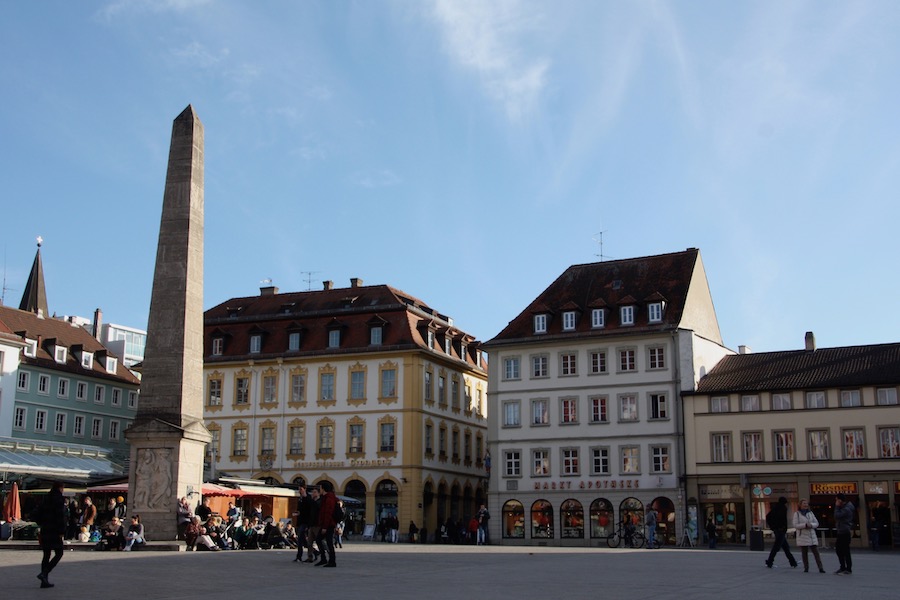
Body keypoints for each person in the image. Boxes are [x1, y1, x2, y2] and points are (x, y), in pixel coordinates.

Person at [36, 481, 66, 588]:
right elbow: (60, 516)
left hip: (45, 529)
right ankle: (44, 574)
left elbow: (37, 513)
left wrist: (42, 523)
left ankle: (44, 581)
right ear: (60, 488)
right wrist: (62, 531)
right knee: (59, 553)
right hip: (55, 530)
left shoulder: (46, 499)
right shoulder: (59, 499)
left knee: (46, 555)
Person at [765, 497, 798, 569]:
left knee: (785, 547)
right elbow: (783, 520)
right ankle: (770, 561)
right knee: (777, 547)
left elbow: (768, 516)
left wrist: (773, 527)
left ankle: (793, 562)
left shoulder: (775, 508)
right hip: (781, 530)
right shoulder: (783, 508)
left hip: (778, 530)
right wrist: (783, 528)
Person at [793, 499, 824, 573]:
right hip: (803, 536)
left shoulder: (810, 513)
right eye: (804, 503)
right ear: (800, 505)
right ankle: (806, 567)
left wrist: (811, 525)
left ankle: (820, 568)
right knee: (804, 553)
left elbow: (816, 523)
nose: (806, 505)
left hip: (811, 535)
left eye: (806, 503)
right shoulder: (797, 514)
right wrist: (805, 525)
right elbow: (795, 525)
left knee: (816, 552)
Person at [316, 481, 338, 567]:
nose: (320, 490)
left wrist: (324, 526)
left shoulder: (329, 498)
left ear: (323, 489)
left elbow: (328, 513)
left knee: (327, 542)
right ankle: (325, 559)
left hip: (329, 524)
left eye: (320, 488)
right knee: (323, 541)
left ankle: (331, 561)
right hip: (328, 523)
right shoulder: (328, 497)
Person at [834, 493, 855, 575]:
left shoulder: (847, 509)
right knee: (839, 549)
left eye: (836, 500)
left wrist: (837, 506)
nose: (835, 502)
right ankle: (842, 567)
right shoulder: (844, 507)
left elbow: (837, 515)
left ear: (840, 500)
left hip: (845, 531)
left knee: (845, 550)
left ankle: (848, 569)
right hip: (841, 531)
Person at [293, 485, 311, 562]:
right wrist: (297, 513)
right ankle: (315, 552)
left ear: (305, 489)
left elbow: (308, 511)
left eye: (301, 489)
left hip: (305, 522)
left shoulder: (308, 498)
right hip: (300, 521)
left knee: (300, 540)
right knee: (303, 540)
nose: (299, 491)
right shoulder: (300, 498)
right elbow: (299, 509)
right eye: (299, 489)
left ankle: (299, 556)